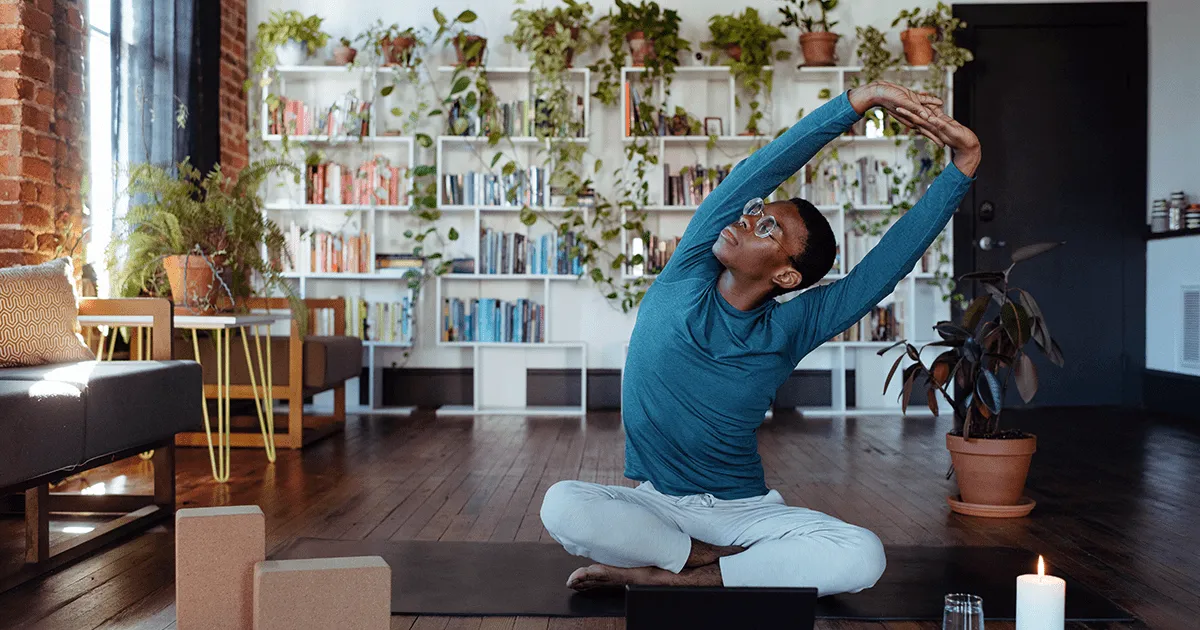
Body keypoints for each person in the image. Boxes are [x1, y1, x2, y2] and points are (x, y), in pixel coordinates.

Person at [539, 81, 980, 596]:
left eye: (767, 227)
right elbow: (763, 167)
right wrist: (862, 99)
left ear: (788, 276)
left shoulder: (789, 328)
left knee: (863, 555)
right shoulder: (686, 273)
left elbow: (880, 271)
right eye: (757, 211)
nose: (748, 219)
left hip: (741, 514)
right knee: (562, 504)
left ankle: (683, 578)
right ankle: (701, 562)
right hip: (655, 504)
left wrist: (964, 164)